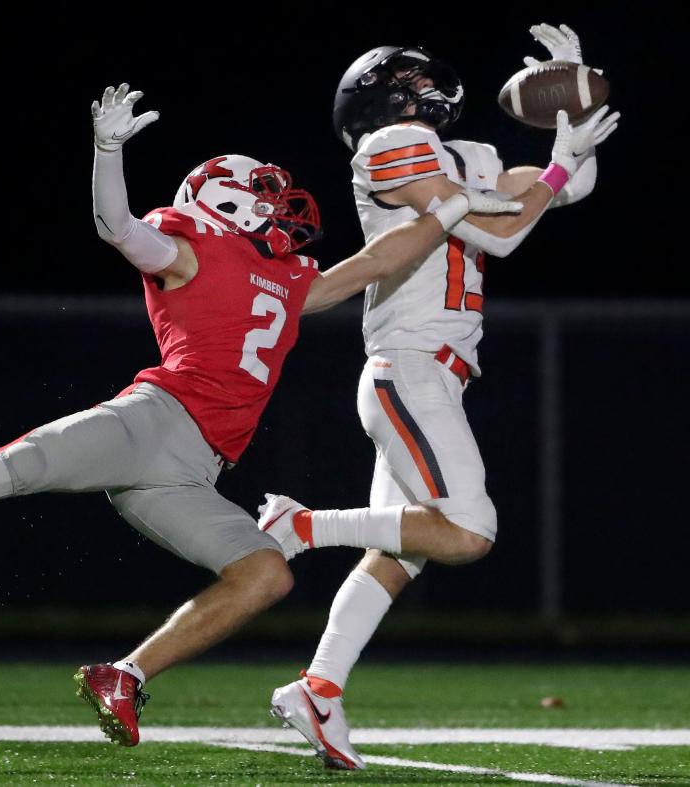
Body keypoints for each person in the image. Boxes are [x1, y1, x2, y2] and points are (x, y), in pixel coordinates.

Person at [0, 83, 521, 748]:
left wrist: (450, 208)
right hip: (151, 422)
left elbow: (379, 264)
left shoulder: (285, 276)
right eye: (263, 191)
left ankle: (123, 674)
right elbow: (116, 226)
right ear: (221, 199)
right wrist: (107, 150)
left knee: (264, 574)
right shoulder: (189, 246)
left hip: (197, 468)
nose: (279, 205)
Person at [257, 25, 619, 770]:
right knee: (469, 530)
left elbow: (566, 187)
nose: (433, 87)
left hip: (439, 372)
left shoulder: (473, 156)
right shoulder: (388, 146)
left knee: (400, 553)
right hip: (408, 365)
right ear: (389, 94)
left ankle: (317, 688)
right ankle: (301, 525)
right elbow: (503, 236)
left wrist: (573, 100)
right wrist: (552, 171)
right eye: (416, 80)